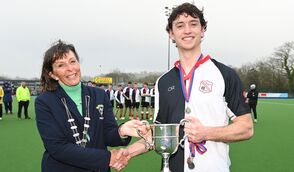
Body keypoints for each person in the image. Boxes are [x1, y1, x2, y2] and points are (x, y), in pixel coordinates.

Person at [126, 3, 253, 172]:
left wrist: (206, 133)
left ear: (203, 30)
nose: (187, 31)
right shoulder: (162, 82)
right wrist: (126, 152)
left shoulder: (225, 74)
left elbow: (246, 128)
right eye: (180, 26)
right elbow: (158, 136)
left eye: (193, 24)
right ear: (171, 33)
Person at [35, 40, 145, 172]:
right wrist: (107, 158)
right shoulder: (44, 101)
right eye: (61, 65)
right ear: (52, 74)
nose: (70, 68)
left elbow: (107, 134)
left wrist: (121, 131)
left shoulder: (99, 95)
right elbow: (57, 147)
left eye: (72, 61)